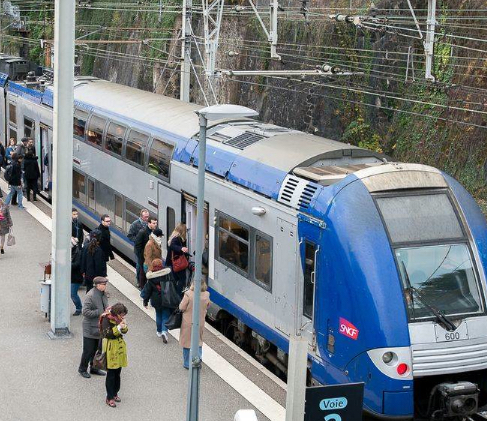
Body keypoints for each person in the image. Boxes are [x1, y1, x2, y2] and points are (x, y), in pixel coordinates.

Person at [78, 276, 109, 379]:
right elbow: (85, 312)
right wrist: (100, 312)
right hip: (90, 328)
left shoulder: (103, 294)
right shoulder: (90, 296)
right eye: (103, 284)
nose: (105, 286)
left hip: (99, 326)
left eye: (105, 284)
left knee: (96, 349)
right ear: (97, 285)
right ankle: (82, 369)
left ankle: (94, 367)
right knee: (88, 350)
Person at [100, 302, 128, 408]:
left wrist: (124, 327)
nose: (123, 317)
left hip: (120, 348)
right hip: (111, 348)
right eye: (122, 314)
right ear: (116, 313)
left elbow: (125, 331)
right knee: (111, 374)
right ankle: (109, 397)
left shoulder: (120, 319)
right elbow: (108, 334)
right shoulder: (106, 319)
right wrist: (118, 328)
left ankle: (115, 393)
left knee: (118, 372)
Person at [179, 281, 210, 369]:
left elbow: (182, 307)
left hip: (188, 322)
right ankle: (198, 360)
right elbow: (207, 306)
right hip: (200, 322)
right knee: (198, 341)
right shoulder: (206, 294)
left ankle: (186, 363)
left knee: (186, 342)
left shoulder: (188, 294)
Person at [142, 258, 172, 343]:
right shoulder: (167, 274)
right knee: (165, 315)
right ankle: (164, 331)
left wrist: (145, 301)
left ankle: (159, 331)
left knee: (158, 314)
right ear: (161, 265)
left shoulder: (151, 277)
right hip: (166, 298)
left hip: (156, 299)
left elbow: (147, 290)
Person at [134, 216, 158, 289]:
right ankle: (143, 288)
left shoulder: (154, 232)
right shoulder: (142, 232)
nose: (155, 225)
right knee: (143, 273)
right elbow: (137, 246)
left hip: (151, 256)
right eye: (153, 223)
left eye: (156, 223)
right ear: (149, 223)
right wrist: (142, 257)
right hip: (143, 257)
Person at [166, 223, 189, 296]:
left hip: (173, 263)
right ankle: (178, 295)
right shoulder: (177, 238)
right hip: (178, 263)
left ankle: (173, 294)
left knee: (175, 279)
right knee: (182, 279)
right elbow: (173, 246)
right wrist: (181, 248)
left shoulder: (174, 237)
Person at [71, 242, 84, 315]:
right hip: (71, 277)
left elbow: (77, 265)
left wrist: (67, 264)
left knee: (73, 294)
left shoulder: (78, 253)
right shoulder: (70, 252)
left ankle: (79, 308)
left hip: (76, 277)